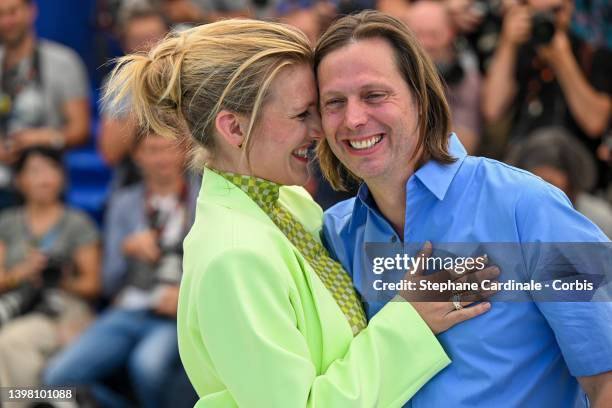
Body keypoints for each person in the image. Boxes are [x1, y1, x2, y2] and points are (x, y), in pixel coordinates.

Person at [100, 19, 497, 407]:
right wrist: (411, 321)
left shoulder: (287, 202)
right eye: (301, 114)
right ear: (234, 129)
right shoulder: (234, 256)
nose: (320, 129)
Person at [316, 10, 612, 407]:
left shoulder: (529, 207)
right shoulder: (337, 234)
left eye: (374, 95)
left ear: (421, 97)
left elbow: (605, 374)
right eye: (334, 102)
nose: (353, 119)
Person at [44, 130, 197, 408]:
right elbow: (109, 283)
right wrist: (126, 250)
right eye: (152, 150)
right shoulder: (124, 202)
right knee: (57, 376)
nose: (161, 158)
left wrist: (186, 295)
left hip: (177, 314)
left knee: (148, 367)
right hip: (128, 309)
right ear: (137, 156)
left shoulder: (201, 198)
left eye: (168, 148)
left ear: (184, 151)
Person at [0, 147, 100, 396]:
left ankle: (26, 402)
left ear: (62, 177)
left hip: (61, 309)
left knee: (12, 341)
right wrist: (23, 272)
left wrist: (62, 279)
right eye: (34, 171)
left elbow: (93, 285)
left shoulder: (78, 222)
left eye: (51, 170)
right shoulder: (8, 222)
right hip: (16, 303)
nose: (44, 178)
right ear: (19, 180)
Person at [482, 0, 612, 187]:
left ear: (570, 9)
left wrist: (562, 60)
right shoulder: (518, 51)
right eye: (537, 12)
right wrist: (507, 43)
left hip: (576, 174)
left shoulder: (593, 54)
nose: (547, 19)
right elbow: (492, 109)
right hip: (521, 167)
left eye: (555, 11)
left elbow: (595, 122)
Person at [0, 0, 90, 209]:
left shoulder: (63, 61)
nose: (7, 21)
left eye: (13, 12)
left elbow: (80, 129)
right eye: (1, 14)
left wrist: (39, 138)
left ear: (31, 11)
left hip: (44, 184)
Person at [98, 5, 169, 189]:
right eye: (139, 40)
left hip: (192, 175)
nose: (149, 48)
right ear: (125, 46)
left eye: (155, 38)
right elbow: (110, 154)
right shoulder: (118, 83)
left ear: (170, 38)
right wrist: (144, 96)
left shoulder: (190, 74)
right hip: (138, 177)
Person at [404, 0, 482, 153]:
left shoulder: (466, 79)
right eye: (418, 34)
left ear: (451, 33)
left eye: (434, 34)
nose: (426, 43)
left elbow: (463, 146)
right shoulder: (393, 74)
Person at [506, 127, 612, 239]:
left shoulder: (597, 220)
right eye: (534, 181)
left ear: (572, 180)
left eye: (549, 183)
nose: (541, 190)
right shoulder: (510, 215)